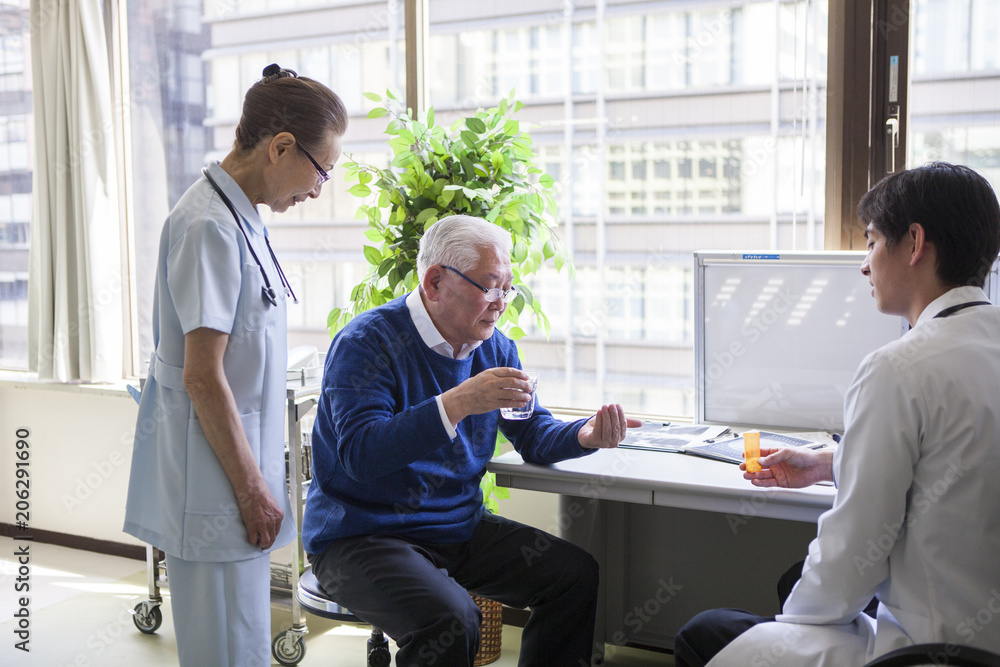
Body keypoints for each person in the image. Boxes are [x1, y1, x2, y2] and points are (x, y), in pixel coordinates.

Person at [673, 162, 1000, 667]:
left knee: (708, 632)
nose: (864, 265)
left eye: (871, 242)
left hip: (930, 649)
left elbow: (852, 554)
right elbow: (957, 455)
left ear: (914, 243)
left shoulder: (898, 368)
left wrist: (787, 628)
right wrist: (828, 463)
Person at [302, 214, 642, 666]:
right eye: (490, 286)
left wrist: (584, 434)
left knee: (573, 575)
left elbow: (532, 432)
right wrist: (457, 402)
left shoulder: (495, 347)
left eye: (508, 288)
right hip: (360, 535)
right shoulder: (366, 342)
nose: (501, 302)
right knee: (451, 619)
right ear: (436, 282)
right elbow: (361, 455)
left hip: (455, 527)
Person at [123, 64, 348, 667]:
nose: (319, 189)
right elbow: (201, 374)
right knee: (225, 649)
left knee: (244, 640)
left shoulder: (241, 214)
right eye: (321, 170)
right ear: (280, 147)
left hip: (231, 471)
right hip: (214, 484)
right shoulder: (207, 226)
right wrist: (251, 491)